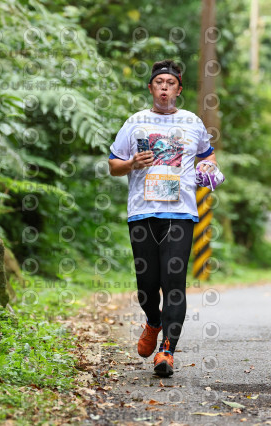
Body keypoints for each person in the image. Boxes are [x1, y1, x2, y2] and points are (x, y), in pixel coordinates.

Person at [108, 59, 221, 377]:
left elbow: (208, 155)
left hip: (180, 213)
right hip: (142, 212)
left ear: (179, 90)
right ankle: (154, 321)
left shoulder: (192, 122)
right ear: (151, 88)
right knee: (146, 286)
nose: (164, 88)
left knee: (174, 284)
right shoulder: (135, 122)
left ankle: (167, 352)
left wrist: (208, 166)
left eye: (171, 83)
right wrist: (132, 163)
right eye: (159, 83)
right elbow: (113, 165)